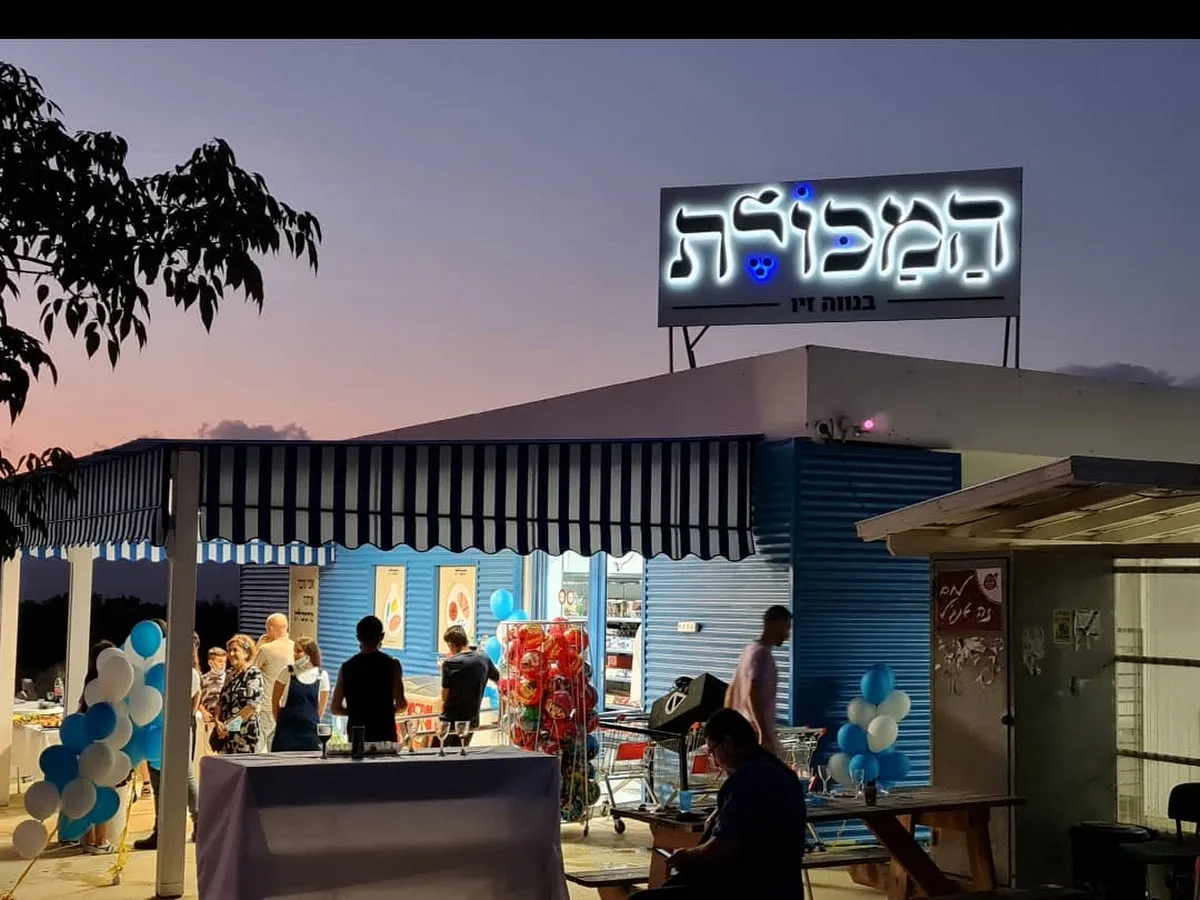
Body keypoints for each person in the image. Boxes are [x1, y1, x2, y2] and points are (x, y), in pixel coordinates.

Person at [630, 709, 808, 898]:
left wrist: (689, 856)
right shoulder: (782, 773)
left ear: (727, 744)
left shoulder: (747, 780)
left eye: (712, 751)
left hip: (748, 887)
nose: (714, 761)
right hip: (785, 887)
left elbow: (725, 846)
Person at [134, 628, 201, 851]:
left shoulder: (174, 672)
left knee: (173, 780)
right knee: (178, 779)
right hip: (171, 728)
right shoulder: (191, 672)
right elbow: (193, 706)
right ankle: (188, 825)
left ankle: (170, 828)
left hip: (166, 729)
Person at [724, 605, 792, 758]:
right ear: (775, 624)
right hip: (753, 733)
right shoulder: (760, 655)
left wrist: (726, 721)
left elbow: (732, 689)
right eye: (786, 628)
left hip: (744, 731)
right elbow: (751, 694)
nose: (787, 635)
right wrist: (763, 733)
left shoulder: (749, 650)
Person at [76, 640, 122, 854]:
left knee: (88, 790)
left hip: (87, 746)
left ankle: (87, 838)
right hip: (106, 746)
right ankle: (101, 841)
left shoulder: (90, 685)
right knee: (105, 790)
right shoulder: (112, 687)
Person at [331, 616, 406, 742]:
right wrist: (385, 711)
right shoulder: (392, 665)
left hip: (357, 735)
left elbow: (335, 708)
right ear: (382, 636)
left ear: (358, 638)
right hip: (385, 734)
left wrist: (356, 712)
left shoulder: (346, 667)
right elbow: (401, 704)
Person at [439, 625, 499, 747]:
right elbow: (499, 681)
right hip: (471, 720)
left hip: (450, 720)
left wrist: (443, 670)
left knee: (438, 753)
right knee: (461, 751)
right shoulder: (483, 658)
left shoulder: (449, 663)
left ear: (451, 644)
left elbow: (445, 696)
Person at [270, 637, 330, 751]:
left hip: (310, 733)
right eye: (294, 651)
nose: (295, 654)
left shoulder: (322, 676)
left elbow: (320, 709)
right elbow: (274, 701)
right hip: (286, 733)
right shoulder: (287, 672)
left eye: (299, 651)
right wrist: (281, 723)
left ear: (309, 654)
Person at [211, 633, 266, 755]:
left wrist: (230, 726)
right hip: (225, 736)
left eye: (235, 650)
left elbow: (252, 706)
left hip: (244, 735)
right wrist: (217, 721)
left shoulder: (253, 673)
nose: (231, 654)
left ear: (246, 653)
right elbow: (221, 701)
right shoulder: (229, 674)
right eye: (229, 650)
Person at [254, 614, 295, 751]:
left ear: (271, 628)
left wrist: (259, 645)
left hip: (266, 705)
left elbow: (251, 671)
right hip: (286, 706)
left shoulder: (266, 649)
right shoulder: (295, 647)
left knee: (258, 746)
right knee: (277, 748)